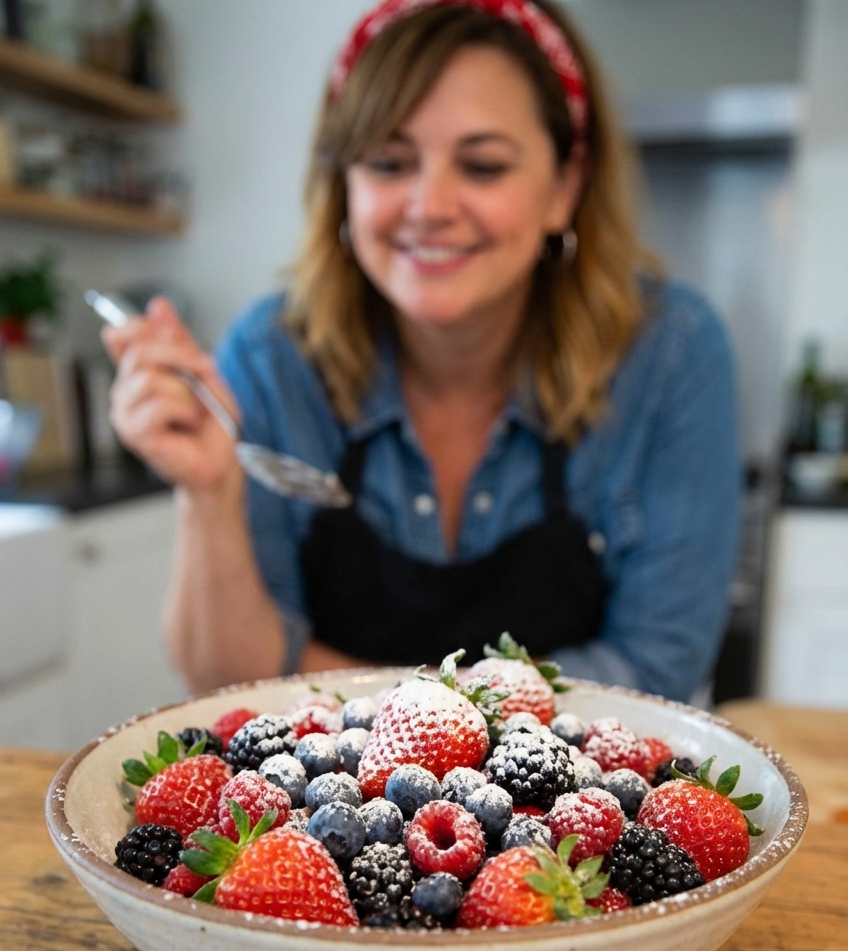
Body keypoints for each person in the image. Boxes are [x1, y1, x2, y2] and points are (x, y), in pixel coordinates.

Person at [104, 0, 740, 703]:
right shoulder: (269, 357)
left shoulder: (671, 354)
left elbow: (654, 670)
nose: (430, 206)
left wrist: (397, 720)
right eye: (389, 162)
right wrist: (208, 493)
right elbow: (229, 685)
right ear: (345, 185)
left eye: (483, 166)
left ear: (565, 187)